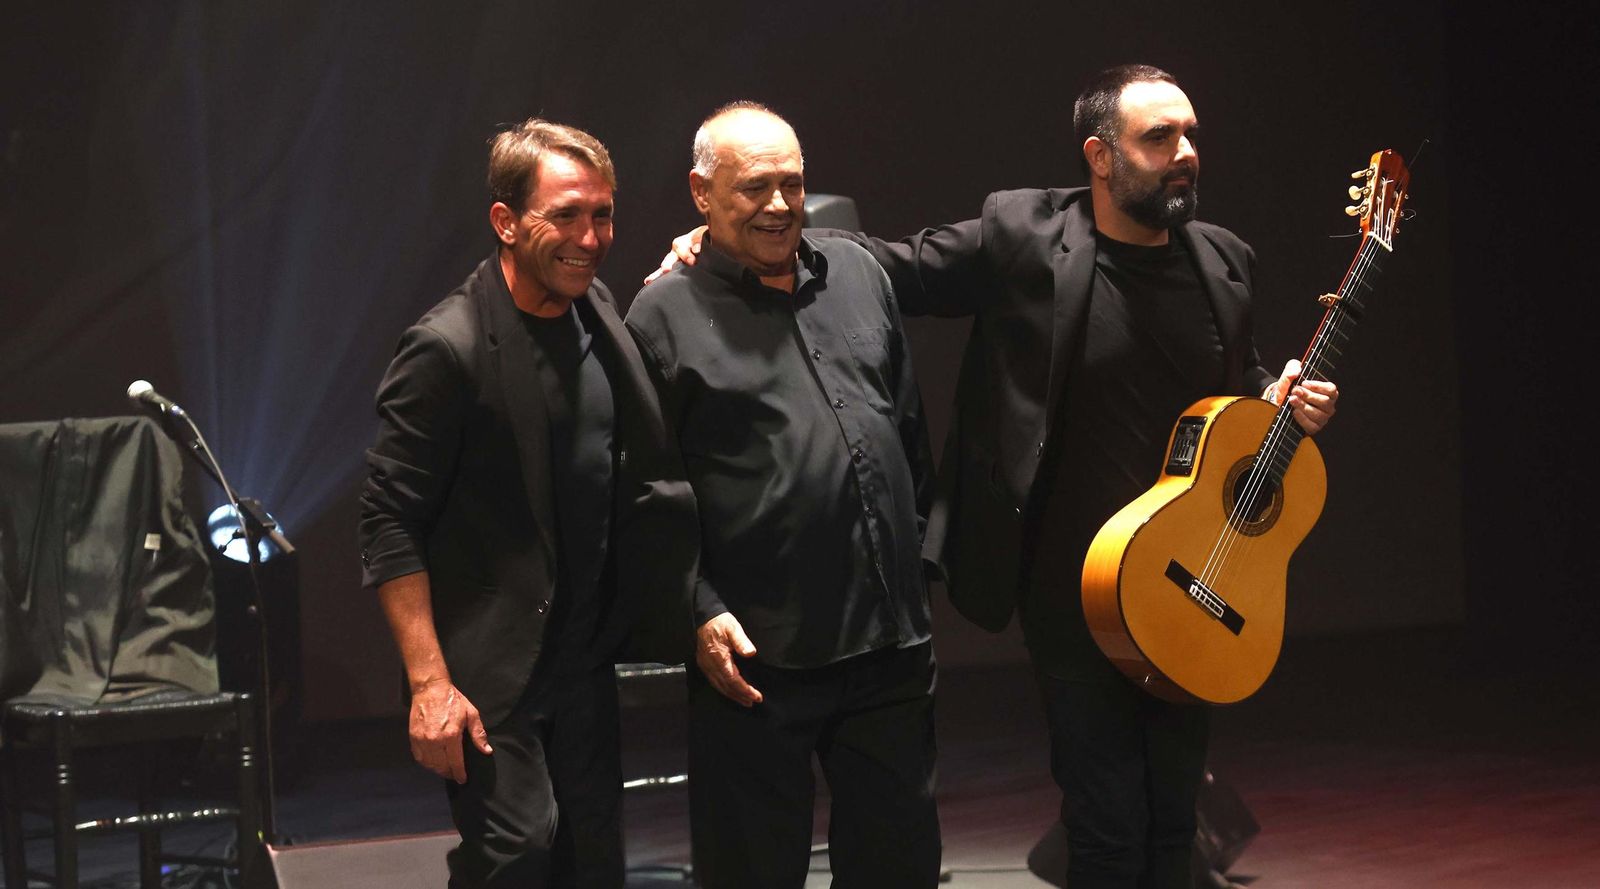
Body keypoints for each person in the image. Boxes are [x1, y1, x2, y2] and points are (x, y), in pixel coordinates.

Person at [652, 67, 1338, 889]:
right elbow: (886, 266)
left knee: (1173, 817)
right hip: (1076, 584)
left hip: (1190, 578)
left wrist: (1276, 397)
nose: (1184, 153)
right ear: (1101, 154)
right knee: (1108, 823)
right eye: (1160, 137)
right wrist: (723, 244)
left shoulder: (1224, 261)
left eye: (1191, 134)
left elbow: (1238, 384)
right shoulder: (1026, 232)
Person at [358, 118, 696, 889]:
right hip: (490, 671)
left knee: (590, 863)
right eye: (566, 214)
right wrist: (429, 684)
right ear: (506, 222)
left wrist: (694, 259)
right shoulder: (449, 348)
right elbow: (387, 520)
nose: (589, 236)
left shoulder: (597, 312)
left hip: (582, 660)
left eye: (602, 214)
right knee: (516, 856)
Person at [625, 102, 942, 889]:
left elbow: (905, 424)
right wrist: (697, 609)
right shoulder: (660, 314)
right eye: (754, 187)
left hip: (888, 643)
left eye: (792, 185)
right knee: (752, 874)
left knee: (899, 868)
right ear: (702, 194)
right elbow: (641, 491)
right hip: (756, 654)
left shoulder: (858, 272)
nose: (778, 205)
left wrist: (913, 557)